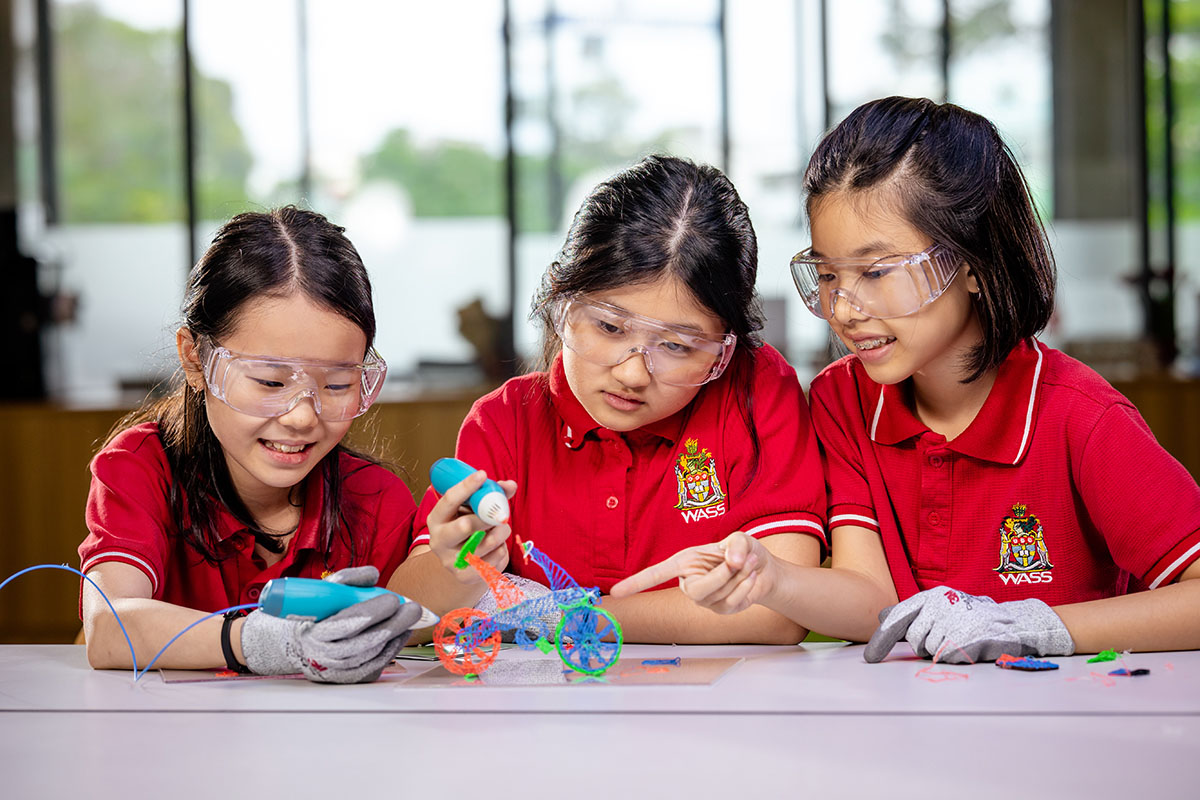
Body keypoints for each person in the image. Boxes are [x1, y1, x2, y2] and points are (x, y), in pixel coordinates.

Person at [612, 97, 1200, 663]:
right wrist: (773, 578)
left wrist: (1038, 627)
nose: (845, 309)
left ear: (973, 263)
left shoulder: (1081, 417)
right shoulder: (844, 399)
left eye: (876, 272)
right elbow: (873, 603)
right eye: (828, 275)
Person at [389, 155, 826, 644]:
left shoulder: (754, 391)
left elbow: (775, 613)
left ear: (726, 348)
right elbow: (408, 615)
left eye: (677, 346)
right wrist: (453, 573)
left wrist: (559, 616)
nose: (633, 374)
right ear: (561, 305)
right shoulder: (504, 421)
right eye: (610, 327)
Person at [79, 206, 423, 683]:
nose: (302, 417)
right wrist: (260, 642)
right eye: (269, 381)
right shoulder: (140, 468)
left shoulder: (376, 500)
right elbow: (108, 628)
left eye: (337, 385)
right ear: (195, 361)